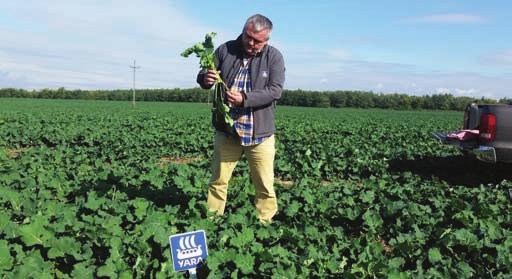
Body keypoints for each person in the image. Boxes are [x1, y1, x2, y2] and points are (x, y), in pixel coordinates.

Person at [196, 14, 285, 223]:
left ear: (267, 40)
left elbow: (274, 91)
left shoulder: (274, 57)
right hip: (228, 132)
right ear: (244, 31)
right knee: (218, 180)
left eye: (257, 41)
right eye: (248, 37)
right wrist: (205, 78)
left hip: (259, 135)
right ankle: (212, 219)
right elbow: (204, 75)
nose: (251, 43)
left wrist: (245, 99)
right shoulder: (225, 50)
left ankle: (264, 221)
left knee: (264, 184)